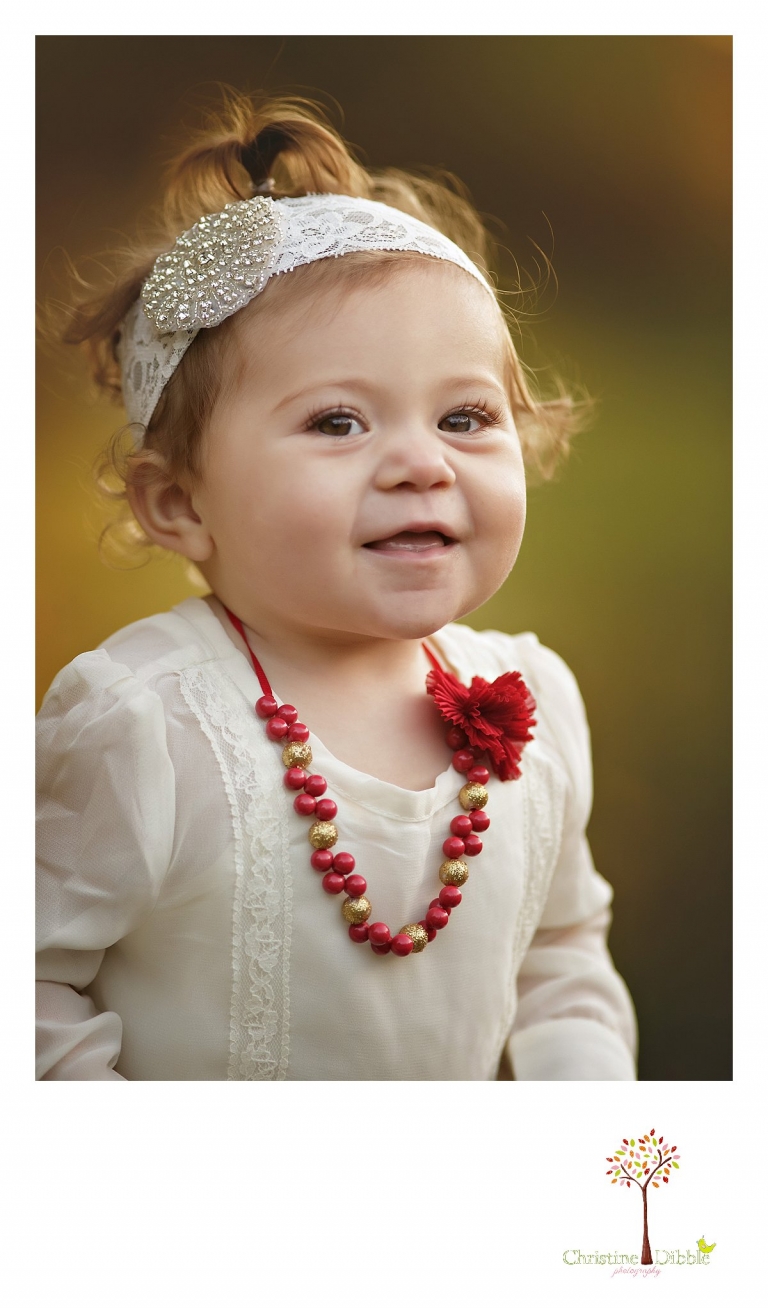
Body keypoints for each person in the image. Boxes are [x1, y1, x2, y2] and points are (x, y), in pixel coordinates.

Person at [36, 92, 637, 1081]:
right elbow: (36, 987)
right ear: (181, 503)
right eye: (338, 423)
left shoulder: (536, 707)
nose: (420, 464)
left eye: (465, 418)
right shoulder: (145, 727)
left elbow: (559, 956)